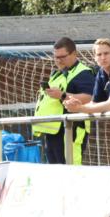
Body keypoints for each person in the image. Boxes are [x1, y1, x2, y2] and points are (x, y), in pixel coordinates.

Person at [65, 39, 110, 166]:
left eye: (106, 53)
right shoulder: (101, 73)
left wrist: (80, 108)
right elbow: (94, 103)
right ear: (94, 57)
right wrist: (75, 105)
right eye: (99, 54)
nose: (103, 57)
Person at [32, 37, 95, 165]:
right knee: (56, 171)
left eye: (62, 57)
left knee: (71, 167)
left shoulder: (83, 73)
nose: (58, 61)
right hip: (53, 131)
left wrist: (62, 95)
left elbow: (89, 98)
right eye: (56, 57)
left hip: (71, 129)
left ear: (74, 54)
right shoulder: (58, 74)